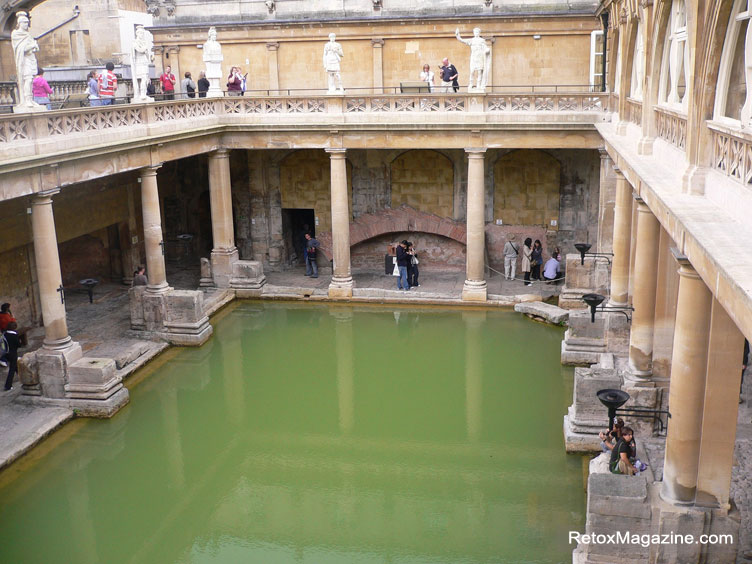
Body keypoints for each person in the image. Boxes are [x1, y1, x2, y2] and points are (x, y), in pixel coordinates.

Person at [11, 11, 40, 109]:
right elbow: (20, 49)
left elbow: (35, 47)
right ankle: (26, 99)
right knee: (27, 79)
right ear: (19, 23)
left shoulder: (28, 35)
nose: (26, 24)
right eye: (24, 22)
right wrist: (32, 46)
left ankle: (30, 99)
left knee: (31, 80)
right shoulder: (16, 34)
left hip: (31, 59)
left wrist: (34, 47)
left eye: (27, 22)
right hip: (24, 61)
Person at [455, 27, 491, 92]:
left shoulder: (482, 40)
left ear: (479, 33)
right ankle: (471, 84)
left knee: (480, 72)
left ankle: (478, 85)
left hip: (480, 57)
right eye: (475, 32)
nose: (476, 33)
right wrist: (458, 36)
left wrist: (487, 50)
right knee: (472, 72)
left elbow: (486, 48)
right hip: (474, 58)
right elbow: (462, 40)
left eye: (477, 32)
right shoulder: (472, 40)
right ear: (473, 33)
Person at [131, 25, 154, 103]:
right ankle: (141, 94)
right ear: (137, 33)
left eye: (142, 33)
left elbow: (147, 53)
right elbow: (140, 50)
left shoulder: (144, 42)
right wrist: (145, 48)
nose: (142, 35)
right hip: (139, 62)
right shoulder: (135, 42)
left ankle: (144, 93)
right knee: (141, 78)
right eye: (141, 33)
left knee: (145, 78)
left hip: (144, 61)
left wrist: (146, 50)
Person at [3, 322, 20, 391]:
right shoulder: (14, 336)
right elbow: (18, 345)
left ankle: (22, 376)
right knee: (12, 369)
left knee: (15, 366)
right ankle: (8, 385)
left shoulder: (5, 334)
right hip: (12, 353)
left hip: (6, 353)